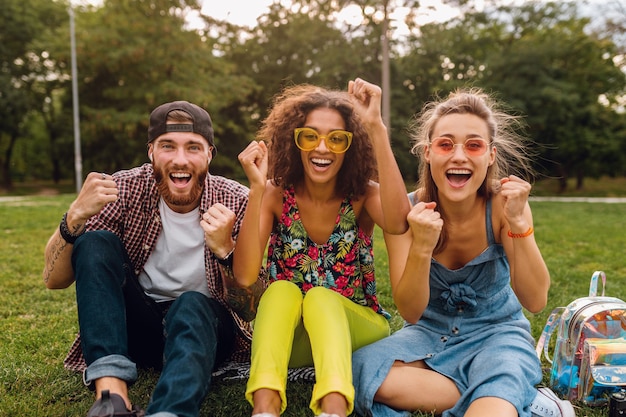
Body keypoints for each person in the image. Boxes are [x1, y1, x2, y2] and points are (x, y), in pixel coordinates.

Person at [351, 88, 576, 417]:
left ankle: (500, 388)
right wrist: (422, 246)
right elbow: (411, 312)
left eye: (473, 145)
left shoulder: (504, 206)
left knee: (490, 408)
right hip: (426, 335)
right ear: (428, 153)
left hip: (497, 336)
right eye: (446, 144)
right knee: (360, 369)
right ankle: (511, 393)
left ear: (491, 155)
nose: (459, 156)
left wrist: (518, 223)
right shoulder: (407, 211)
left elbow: (536, 300)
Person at [42, 101, 257, 417]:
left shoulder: (236, 200)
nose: (180, 159)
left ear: (209, 154)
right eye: (167, 146)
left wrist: (226, 251)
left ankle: (169, 411)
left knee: (191, 303)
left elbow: (250, 308)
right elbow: (53, 280)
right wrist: (75, 215)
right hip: (138, 329)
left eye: (193, 147)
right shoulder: (124, 189)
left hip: (205, 329)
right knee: (95, 241)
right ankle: (112, 398)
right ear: (151, 151)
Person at [233, 78, 411, 417]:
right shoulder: (274, 194)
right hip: (295, 340)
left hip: (357, 328)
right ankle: (265, 408)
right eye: (310, 136)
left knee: (320, 297)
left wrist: (375, 127)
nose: (322, 148)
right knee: (281, 291)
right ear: (294, 141)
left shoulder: (362, 195)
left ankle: (334, 407)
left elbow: (400, 222)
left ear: (352, 146)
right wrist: (256, 189)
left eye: (337, 139)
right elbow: (243, 275)